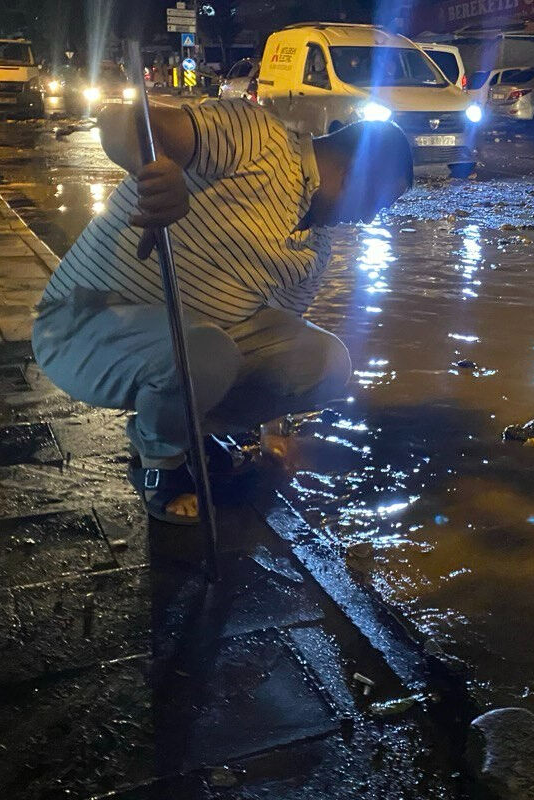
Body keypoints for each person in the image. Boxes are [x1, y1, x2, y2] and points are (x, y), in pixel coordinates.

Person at [32, 98, 414, 524]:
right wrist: (158, 169)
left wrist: (274, 435)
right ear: (355, 173)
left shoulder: (316, 246)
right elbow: (121, 118)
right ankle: (159, 460)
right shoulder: (260, 139)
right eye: (381, 201)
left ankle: (186, 431)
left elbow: (275, 340)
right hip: (81, 325)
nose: (372, 217)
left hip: (193, 344)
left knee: (326, 362)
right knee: (207, 351)